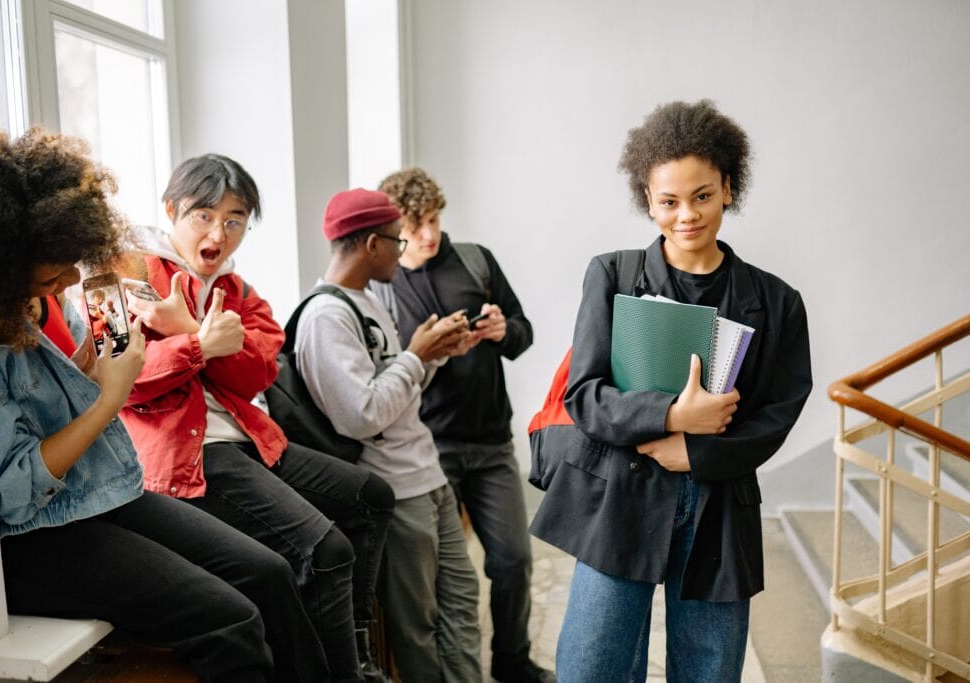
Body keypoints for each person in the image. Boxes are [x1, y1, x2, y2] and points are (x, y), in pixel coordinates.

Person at [0, 128, 327, 683]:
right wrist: (110, 396)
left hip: (102, 490)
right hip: (35, 533)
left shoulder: (52, 301)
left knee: (269, 573)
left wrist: (86, 373)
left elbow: (253, 371)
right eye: (56, 268)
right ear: (6, 261)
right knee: (232, 618)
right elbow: (15, 491)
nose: (72, 279)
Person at [530, 100, 813, 682]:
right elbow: (585, 395)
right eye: (669, 201)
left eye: (702, 195)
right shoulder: (612, 275)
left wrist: (696, 451)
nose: (687, 215)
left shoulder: (777, 301)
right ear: (648, 200)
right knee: (591, 670)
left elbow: (778, 412)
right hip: (620, 495)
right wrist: (674, 414)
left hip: (719, 506)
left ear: (728, 188)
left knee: (709, 672)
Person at [120, 154, 394, 683]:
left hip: (251, 439)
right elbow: (125, 382)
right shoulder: (133, 275)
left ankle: (357, 649)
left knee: (371, 497)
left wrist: (188, 329)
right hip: (189, 455)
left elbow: (257, 374)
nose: (217, 233)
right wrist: (200, 344)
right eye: (203, 215)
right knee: (326, 549)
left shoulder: (238, 290)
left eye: (234, 220)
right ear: (171, 210)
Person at [294, 188, 484, 682]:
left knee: (461, 600)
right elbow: (361, 415)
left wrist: (435, 354)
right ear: (372, 245)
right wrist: (416, 356)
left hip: (427, 472)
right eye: (397, 241)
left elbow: (394, 391)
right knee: (417, 621)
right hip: (394, 487)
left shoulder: (368, 300)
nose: (404, 251)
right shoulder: (326, 316)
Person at [375, 168, 552, 683]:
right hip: (429, 448)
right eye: (416, 225)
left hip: (492, 442)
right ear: (396, 227)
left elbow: (523, 331)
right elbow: (382, 372)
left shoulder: (475, 260)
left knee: (514, 560)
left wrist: (502, 330)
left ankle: (512, 661)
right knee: (441, 577)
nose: (429, 234)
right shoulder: (383, 285)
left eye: (434, 219)